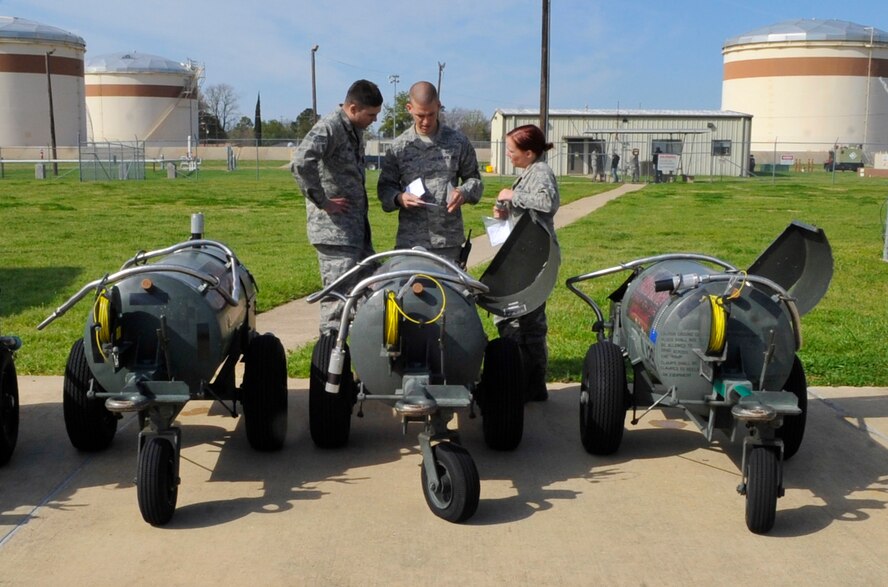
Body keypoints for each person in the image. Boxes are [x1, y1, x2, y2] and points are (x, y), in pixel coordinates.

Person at [292, 79, 384, 335]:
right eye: (371, 115)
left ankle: (364, 362)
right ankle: (331, 366)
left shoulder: (352, 130)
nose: (374, 120)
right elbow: (301, 162)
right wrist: (323, 202)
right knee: (337, 305)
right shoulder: (330, 127)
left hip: (354, 232)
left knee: (371, 291)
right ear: (353, 108)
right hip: (334, 234)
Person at [378, 81, 483, 262]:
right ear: (409, 108)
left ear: (439, 106)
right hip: (410, 242)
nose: (426, 121)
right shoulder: (399, 147)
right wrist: (399, 198)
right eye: (420, 115)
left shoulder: (458, 143)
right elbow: (385, 188)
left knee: (447, 291)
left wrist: (463, 192)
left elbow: (475, 181)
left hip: (447, 242)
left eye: (431, 114)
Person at [492, 124, 560, 402]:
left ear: (530, 153)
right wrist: (504, 211)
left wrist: (512, 195)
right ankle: (521, 381)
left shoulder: (541, 172)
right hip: (523, 255)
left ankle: (530, 384)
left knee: (528, 324)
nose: (508, 155)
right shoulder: (529, 173)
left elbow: (548, 203)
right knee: (513, 319)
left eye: (512, 150)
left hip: (534, 260)